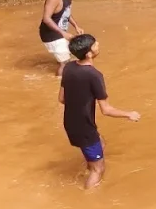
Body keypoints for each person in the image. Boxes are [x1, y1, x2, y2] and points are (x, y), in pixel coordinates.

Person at [58, 33, 140, 190]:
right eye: (95, 44)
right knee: (99, 170)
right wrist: (129, 114)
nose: (98, 44)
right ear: (89, 53)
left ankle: (89, 166)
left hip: (70, 122)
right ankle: (87, 196)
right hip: (84, 127)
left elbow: (62, 98)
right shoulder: (94, 75)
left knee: (101, 144)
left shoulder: (68, 67)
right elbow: (106, 110)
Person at [40, 0, 84, 76]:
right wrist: (63, 34)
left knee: (68, 57)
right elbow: (46, 19)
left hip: (59, 32)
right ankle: (59, 84)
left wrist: (76, 26)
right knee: (65, 64)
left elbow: (66, 13)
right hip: (51, 34)